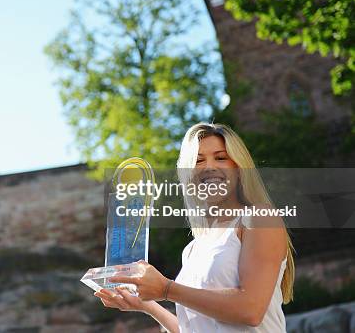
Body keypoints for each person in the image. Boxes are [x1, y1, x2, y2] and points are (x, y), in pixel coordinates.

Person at [94, 122, 295, 332]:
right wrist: (147, 306)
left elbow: (250, 309)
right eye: (198, 160)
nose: (209, 166)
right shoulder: (192, 250)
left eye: (220, 157)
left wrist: (166, 289)